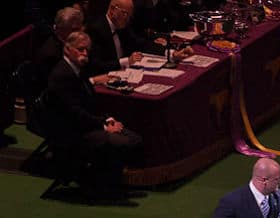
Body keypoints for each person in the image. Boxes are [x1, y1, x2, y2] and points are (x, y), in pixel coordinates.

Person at [44, 30, 144, 199]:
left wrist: (107, 119)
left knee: (135, 139)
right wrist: (103, 125)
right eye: (80, 49)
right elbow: (74, 114)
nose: (84, 53)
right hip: (72, 132)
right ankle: (104, 187)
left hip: (84, 124)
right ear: (68, 49)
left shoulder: (79, 69)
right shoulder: (62, 75)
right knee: (123, 141)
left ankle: (109, 184)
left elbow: (91, 104)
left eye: (87, 50)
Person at [86, 0, 192, 74]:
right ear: (113, 10)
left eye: (130, 16)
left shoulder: (122, 26)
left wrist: (172, 54)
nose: (128, 19)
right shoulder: (95, 29)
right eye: (126, 14)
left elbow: (141, 44)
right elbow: (95, 66)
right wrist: (127, 61)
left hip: (126, 73)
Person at [34, 7, 85, 85]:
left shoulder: (71, 42)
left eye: (81, 28)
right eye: (75, 30)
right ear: (61, 29)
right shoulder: (50, 54)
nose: (80, 33)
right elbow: (57, 86)